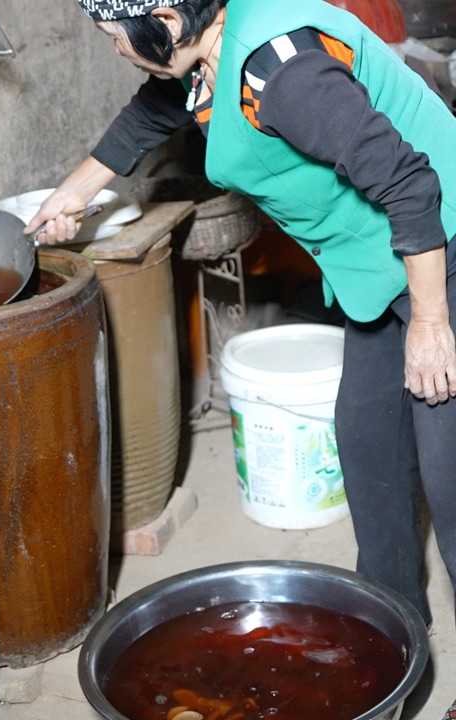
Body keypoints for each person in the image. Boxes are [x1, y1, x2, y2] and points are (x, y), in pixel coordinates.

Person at [27, 0, 456, 630]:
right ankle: (394, 642)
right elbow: (152, 111)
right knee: (369, 451)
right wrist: (73, 193)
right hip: (379, 268)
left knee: (450, 486)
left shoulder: (282, 73)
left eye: (115, 36)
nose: (117, 49)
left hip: (438, 253)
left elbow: (409, 185)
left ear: (168, 21)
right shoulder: (207, 54)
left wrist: (429, 324)